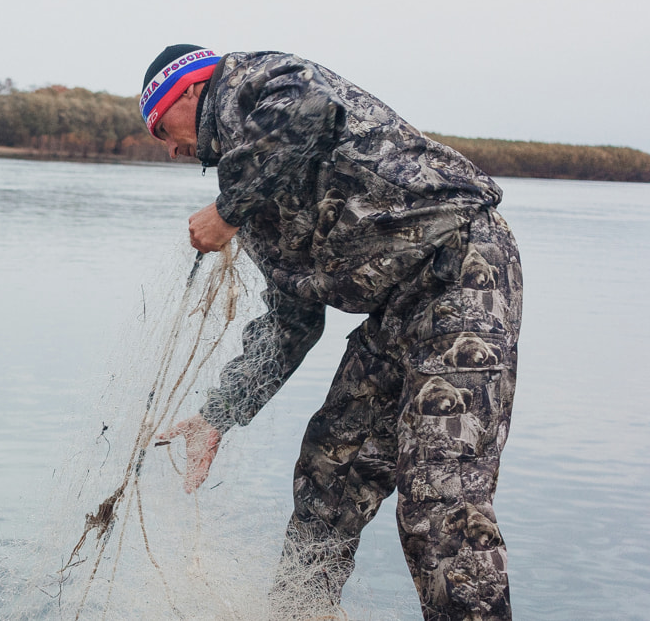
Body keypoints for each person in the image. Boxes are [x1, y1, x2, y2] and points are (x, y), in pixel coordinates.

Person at [146, 45, 521, 621]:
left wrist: (226, 210)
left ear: (190, 91)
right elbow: (291, 320)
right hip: (396, 312)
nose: (169, 148)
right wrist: (219, 414)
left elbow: (310, 108)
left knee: (439, 488)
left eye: (159, 127)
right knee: (330, 470)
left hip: (462, 270)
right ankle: (302, 612)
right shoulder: (253, 195)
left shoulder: (253, 80)